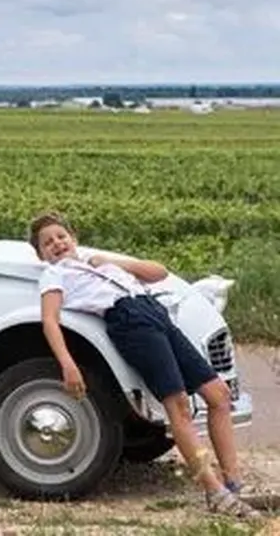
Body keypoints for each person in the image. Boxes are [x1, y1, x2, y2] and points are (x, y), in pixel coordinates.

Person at [29, 211, 260, 520]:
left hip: (155, 314)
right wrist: (68, 364)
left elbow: (158, 272)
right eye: (47, 243)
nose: (57, 244)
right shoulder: (54, 275)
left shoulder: (100, 263)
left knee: (218, 394)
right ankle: (214, 491)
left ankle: (234, 483)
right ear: (41, 254)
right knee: (178, 405)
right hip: (129, 322)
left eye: (61, 236)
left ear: (74, 239)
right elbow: (49, 320)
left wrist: (112, 263)